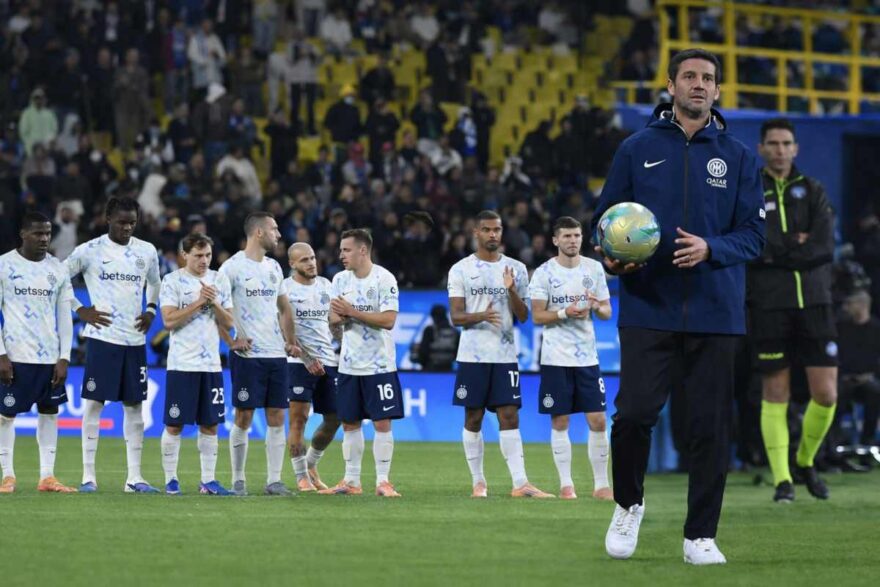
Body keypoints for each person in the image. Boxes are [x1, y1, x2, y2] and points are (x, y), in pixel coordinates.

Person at [592, 49, 765, 564]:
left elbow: (755, 235)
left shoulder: (738, 156)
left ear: (718, 91)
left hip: (716, 311)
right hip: (649, 305)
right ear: (671, 85)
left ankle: (700, 536)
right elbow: (606, 220)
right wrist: (614, 259)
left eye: (707, 78)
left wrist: (713, 249)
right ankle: (628, 505)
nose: (698, 84)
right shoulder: (636, 148)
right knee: (633, 416)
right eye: (689, 76)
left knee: (711, 428)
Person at [750, 118, 837, 503]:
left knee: (827, 395)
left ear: (796, 148)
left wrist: (779, 250)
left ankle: (805, 461)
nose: (780, 150)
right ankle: (783, 481)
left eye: (786, 143)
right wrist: (792, 246)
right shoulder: (750, 191)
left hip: (816, 302)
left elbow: (823, 247)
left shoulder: (814, 190)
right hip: (770, 304)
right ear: (761, 148)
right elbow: (755, 247)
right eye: (773, 143)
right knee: (776, 393)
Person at [447, 210, 553, 499]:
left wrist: (511, 292)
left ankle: (520, 483)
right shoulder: (460, 270)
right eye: (487, 229)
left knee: (509, 415)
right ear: (476, 233)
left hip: (505, 355)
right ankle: (478, 482)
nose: (493, 234)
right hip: (472, 356)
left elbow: (522, 316)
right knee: (474, 418)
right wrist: (482, 314)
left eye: (497, 229)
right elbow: (456, 317)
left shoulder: (516, 269)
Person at [66, 197, 163, 493]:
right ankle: (88, 477)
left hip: (134, 341)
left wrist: (150, 310)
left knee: (134, 406)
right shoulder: (89, 251)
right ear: (107, 218)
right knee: (94, 404)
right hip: (102, 339)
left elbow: (155, 283)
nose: (127, 227)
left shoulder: (146, 251)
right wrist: (79, 309)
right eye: (121, 222)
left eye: (132, 222)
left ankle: (134, 478)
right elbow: (57, 277)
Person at [529, 216, 613, 500]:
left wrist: (595, 305)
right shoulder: (543, 273)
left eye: (576, 236)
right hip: (556, 358)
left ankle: (601, 484)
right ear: (555, 240)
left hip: (587, 358)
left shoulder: (594, 269)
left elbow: (606, 312)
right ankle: (567, 485)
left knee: (598, 420)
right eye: (566, 236)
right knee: (560, 421)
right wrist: (566, 312)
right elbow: (537, 316)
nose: (573, 240)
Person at [218, 212, 300, 496]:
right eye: (274, 229)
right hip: (247, 356)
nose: (279, 234)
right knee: (244, 416)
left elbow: (284, 308)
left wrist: (291, 341)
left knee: (277, 414)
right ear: (258, 233)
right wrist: (230, 340)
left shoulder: (275, 268)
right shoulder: (231, 268)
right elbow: (217, 309)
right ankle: (238, 480)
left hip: (276, 355)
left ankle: (274, 481)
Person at [319, 229, 403, 497]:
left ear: (363, 250)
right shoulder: (340, 280)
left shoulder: (384, 278)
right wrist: (340, 318)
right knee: (349, 423)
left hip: (379, 365)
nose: (341, 254)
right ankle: (351, 481)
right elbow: (333, 319)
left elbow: (389, 320)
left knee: (381, 422)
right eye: (341, 250)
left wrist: (352, 313)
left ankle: (383, 481)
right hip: (348, 365)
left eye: (346, 250)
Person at [0, 212, 77, 494]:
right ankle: (7, 476)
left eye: (47, 233)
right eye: (38, 233)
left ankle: (47, 477)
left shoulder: (57, 268)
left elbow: (64, 315)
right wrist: (1, 355)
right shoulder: (4, 265)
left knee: (50, 412)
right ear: (23, 234)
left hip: (49, 358)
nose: (44, 239)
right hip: (15, 356)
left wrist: (65, 356)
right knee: (5, 416)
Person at [158, 233, 238, 496]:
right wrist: (199, 302)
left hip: (212, 365)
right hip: (182, 364)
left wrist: (213, 302)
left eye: (207, 256)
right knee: (175, 424)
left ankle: (208, 481)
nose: (204, 261)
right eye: (198, 256)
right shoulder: (172, 281)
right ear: (185, 255)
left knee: (210, 424)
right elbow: (169, 321)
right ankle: (171, 479)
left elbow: (229, 323)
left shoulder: (219, 280)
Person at [282, 242, 341, 492]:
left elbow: (333, 325)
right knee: (299, 419)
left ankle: (311, 463)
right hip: (297, 363)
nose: (311, 263)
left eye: (313, 257)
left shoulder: (327, 286)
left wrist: (344, 334)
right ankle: (300, 477)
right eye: (304, 259)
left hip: (329, 361)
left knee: (336, 417)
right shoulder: (284, 289)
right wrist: (306, 358)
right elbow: (283, 329)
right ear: (292, 264)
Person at [415, 304, 459, 371]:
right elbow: (457, 354)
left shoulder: (429, 330)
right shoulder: (455, 332)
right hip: (448, 371)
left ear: (433, 316)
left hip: (430, 370)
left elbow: (423, 352)